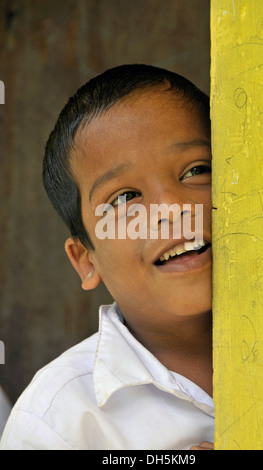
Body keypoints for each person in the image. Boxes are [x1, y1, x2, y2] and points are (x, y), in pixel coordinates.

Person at [0, 64, 214, 450]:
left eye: (197, 170)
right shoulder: (57, 418)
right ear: (85, 260)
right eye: (124, 198)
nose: (170, 207)